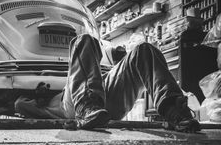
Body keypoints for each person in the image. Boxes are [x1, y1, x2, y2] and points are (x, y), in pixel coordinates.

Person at [15, 34, 201, 133]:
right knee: (83, 40)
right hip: (76, 107)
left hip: (105, 100)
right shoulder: (37, 102)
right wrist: (39, 96)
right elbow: (19, 104)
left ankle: (174, 111)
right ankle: (87, 108)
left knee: (144, 50)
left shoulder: (82, 71)